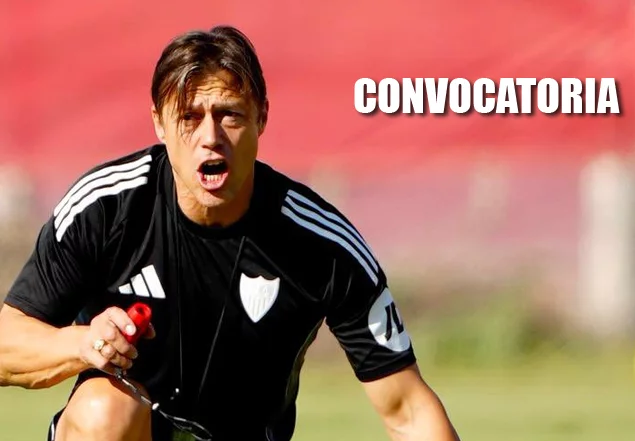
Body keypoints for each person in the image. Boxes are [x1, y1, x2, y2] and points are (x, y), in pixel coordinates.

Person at [0, 25, 460, 441]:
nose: (210, 136)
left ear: (262, 117)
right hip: (128, 431)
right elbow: (6, 343)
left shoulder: (322, 245)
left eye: (230, 115)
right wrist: (81, 344)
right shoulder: (107, 209)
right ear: (158, 122)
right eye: (189, 117)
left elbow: (408, 410)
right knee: (103, 411)